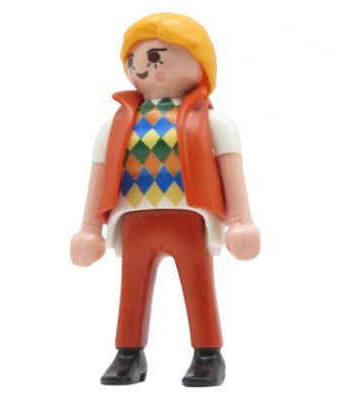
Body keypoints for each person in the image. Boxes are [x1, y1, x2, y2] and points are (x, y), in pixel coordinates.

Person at [70, 12, 260, 387]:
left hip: (189, 218)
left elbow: (231, 171)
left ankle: (208, 354)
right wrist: (89, 228)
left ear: (199, 62)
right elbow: (98, 173)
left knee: (198, 283)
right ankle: (128, 353)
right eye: (132, 60)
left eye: (155, 57)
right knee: (132, 287)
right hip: (134, 220)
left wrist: (241, 220)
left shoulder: (213, 123)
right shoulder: (116, 124)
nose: (141, 67)